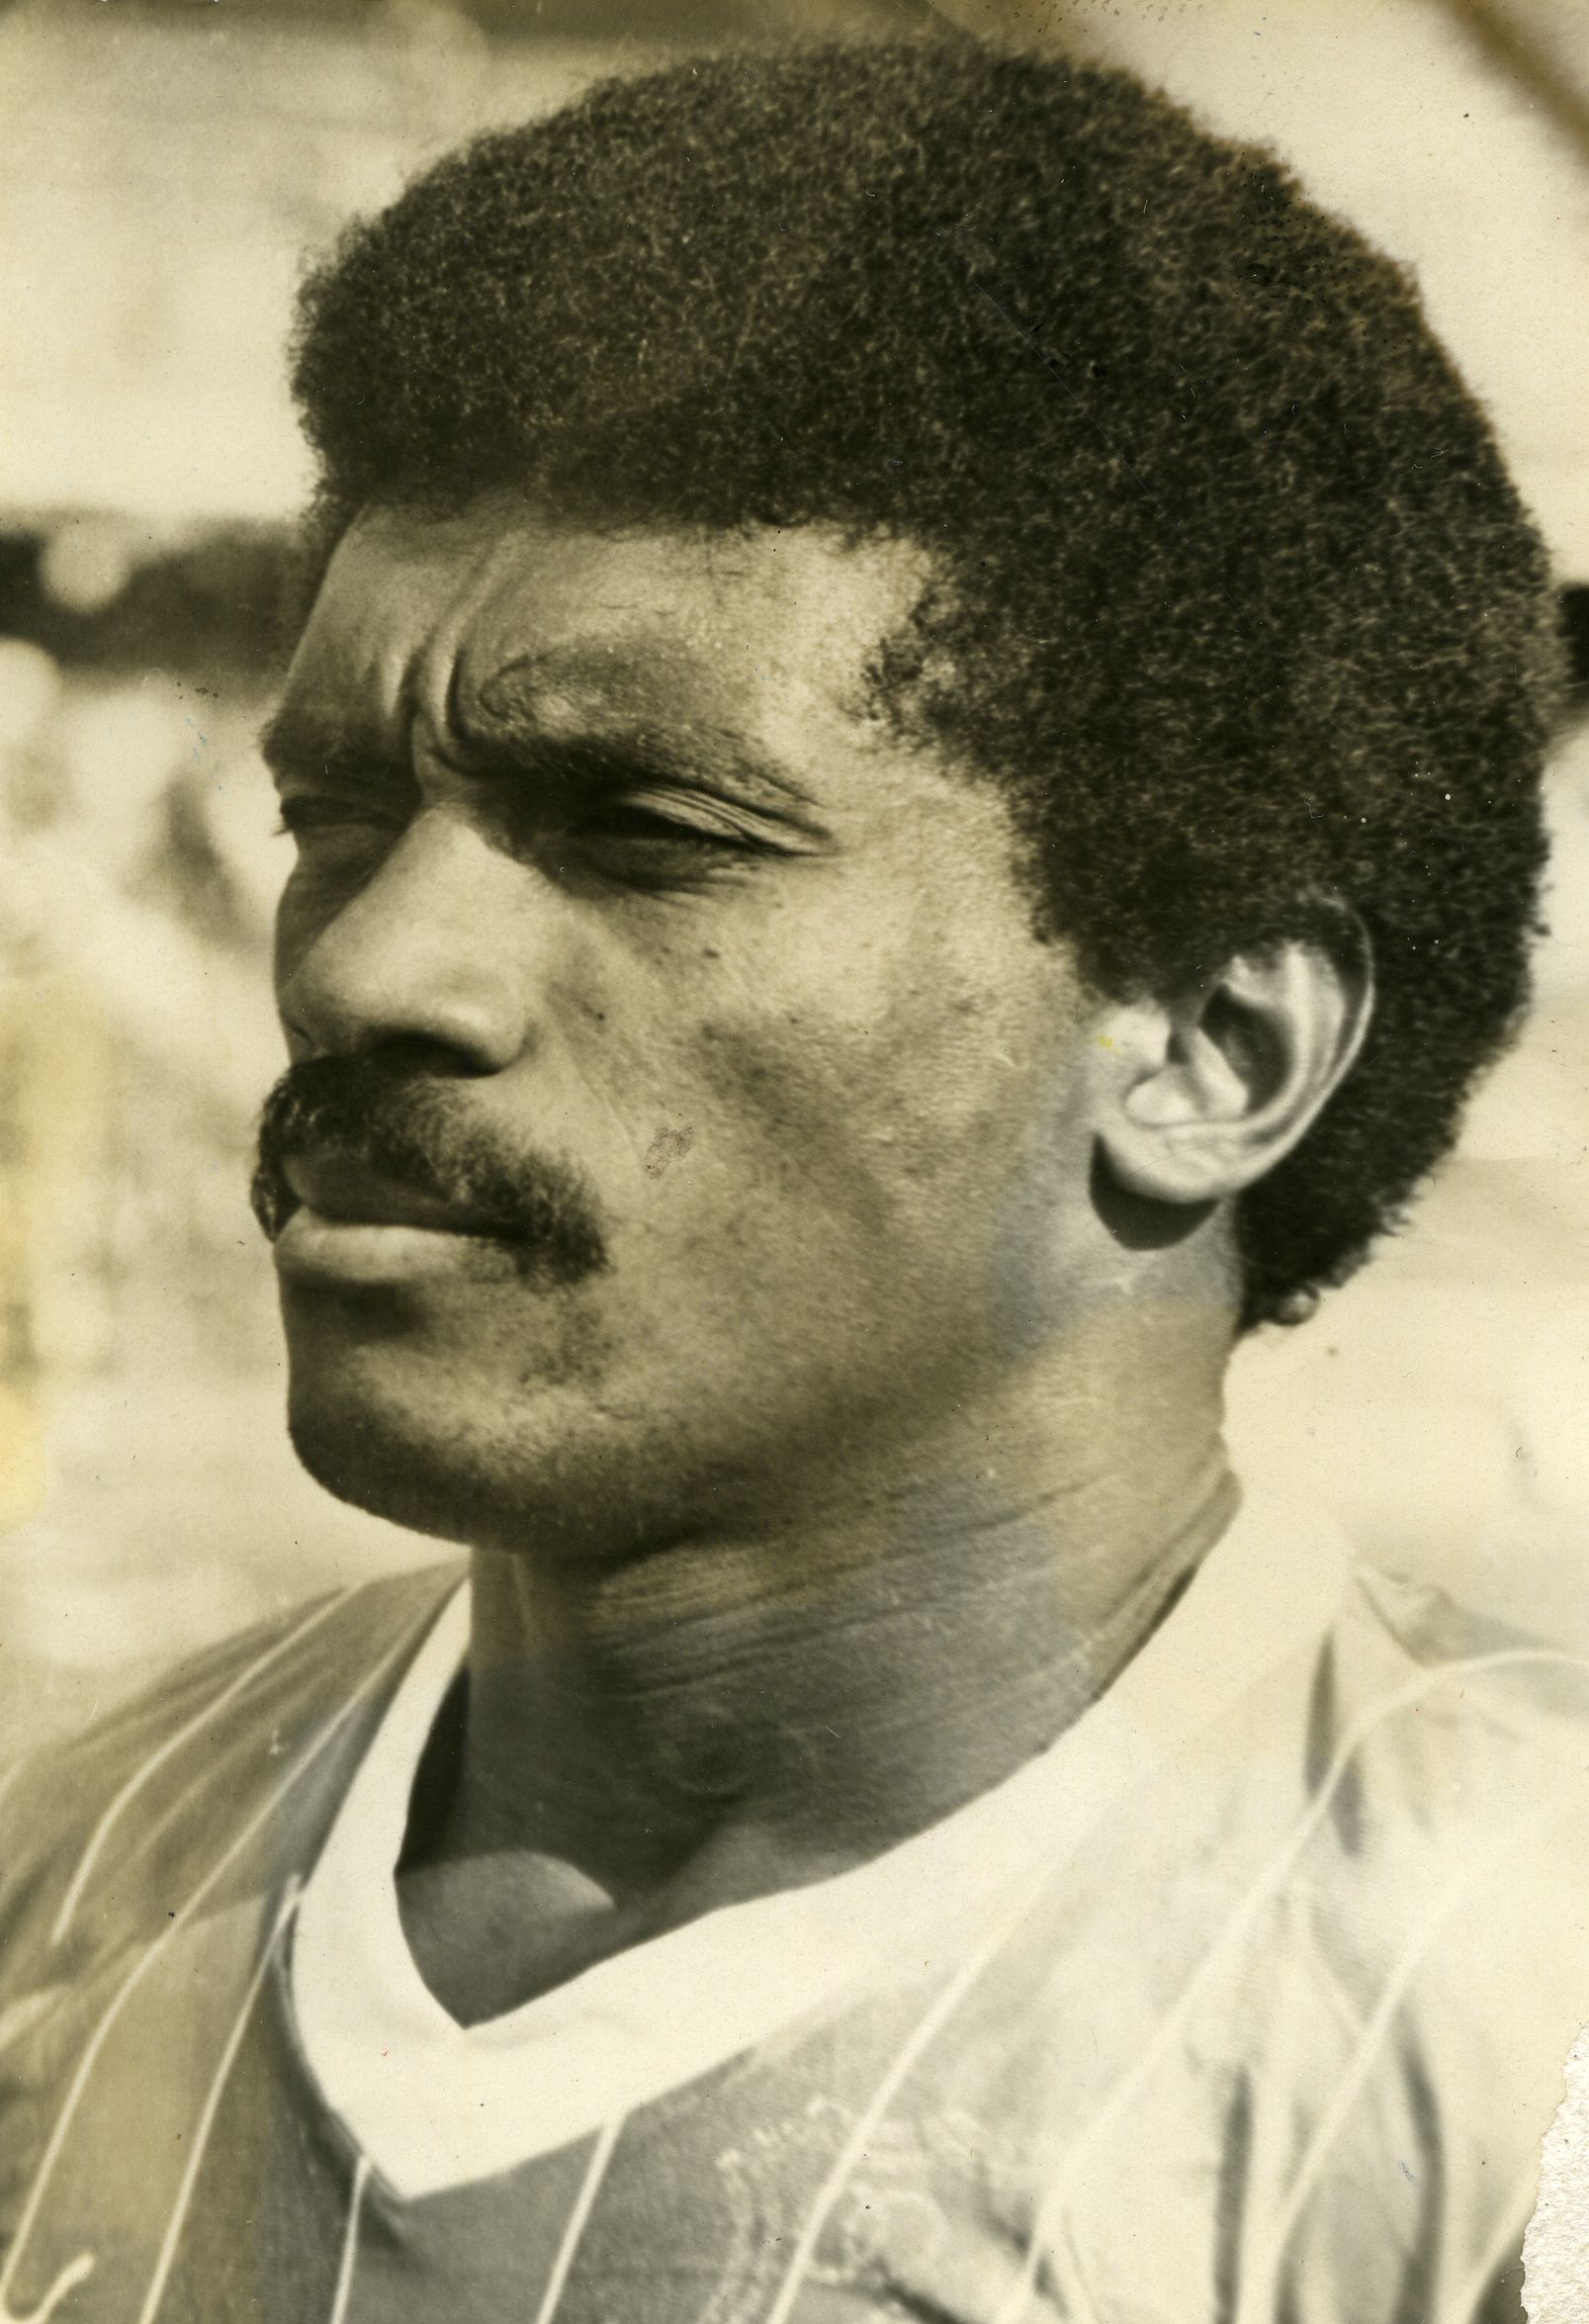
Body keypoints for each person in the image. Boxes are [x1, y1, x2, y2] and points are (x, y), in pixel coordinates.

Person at [2, 38, 1585, 2324]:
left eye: (648, 830)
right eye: (337, 813)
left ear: (1210, 1049)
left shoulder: (1516, 2042)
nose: (364, 966)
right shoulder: (74, 1887)